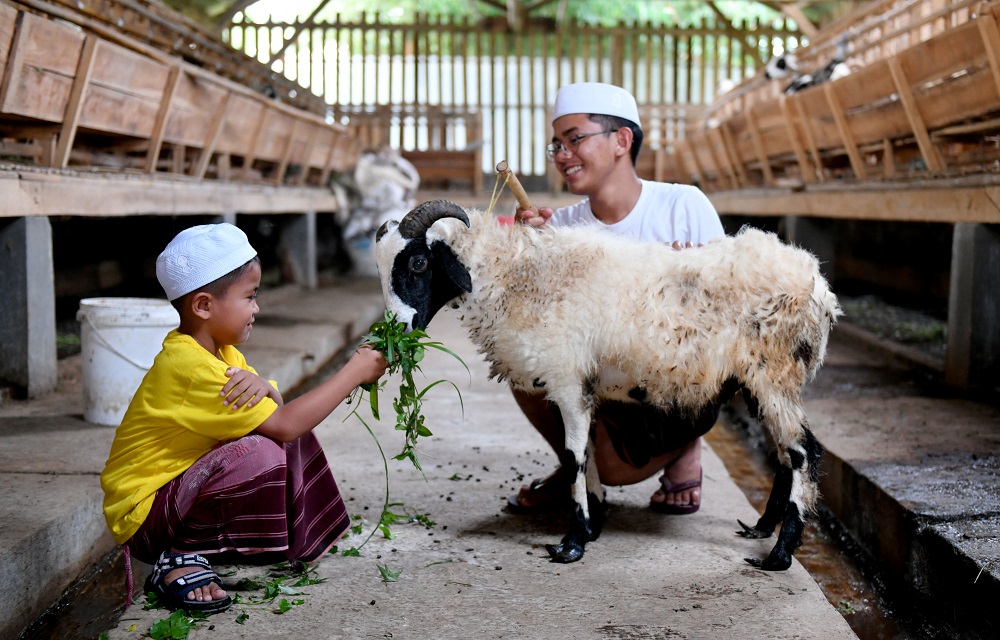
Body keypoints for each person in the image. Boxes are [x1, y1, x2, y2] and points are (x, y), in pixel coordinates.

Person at [100, 223, 387, 614]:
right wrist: (354, 371)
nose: (256, 308)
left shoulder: (222, 353)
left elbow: (279, 411)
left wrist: (267, 386)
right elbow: (285, 423)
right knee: (260, 453)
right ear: (203, 306)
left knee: (276, 439)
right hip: (145, 516)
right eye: (250, 297)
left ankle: (274, 537)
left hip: (173, 494)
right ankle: (178, 556)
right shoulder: (189, 366)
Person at [508, 81, 726, 517]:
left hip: (669, 384)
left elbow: (728, 312)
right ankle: (576, 470)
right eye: (557, 145)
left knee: (614, 468)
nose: (563, 155)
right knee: (520, 360)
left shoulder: (683, 205)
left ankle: (683, 447)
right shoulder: (563, 228)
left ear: (622, 141)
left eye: (575, 139)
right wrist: (531, 257)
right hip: (602, 379)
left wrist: (692, 282)